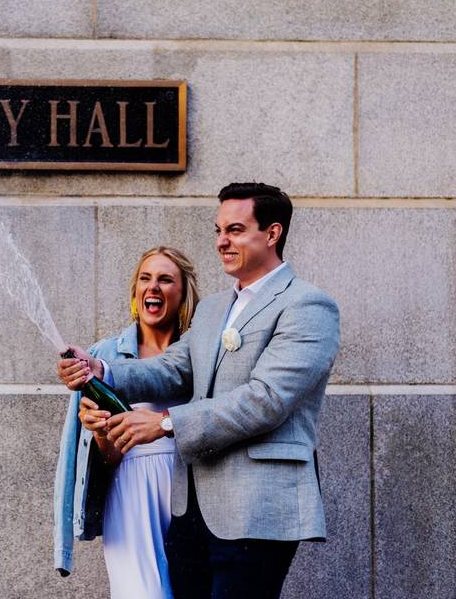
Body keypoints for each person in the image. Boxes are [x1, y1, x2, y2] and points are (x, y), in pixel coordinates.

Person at [58, 182, 341, 599]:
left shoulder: (308, 305)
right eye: (218, 230)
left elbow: (266, 400)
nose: (222, 241)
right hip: (189, 514)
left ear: (273, 233)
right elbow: (174, 370)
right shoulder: (212, 309)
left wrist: (166, 422)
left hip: (257, 512)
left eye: (235, 230)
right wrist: (101, 368)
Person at [53, 246, 201, 599]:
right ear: (136, 291)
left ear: (183, 293)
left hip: (193, 493)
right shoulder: (104, 355)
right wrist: (101, 431)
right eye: (145, 279)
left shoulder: (201, 353)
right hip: (131, 494)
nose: (153, 287)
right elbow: (107, 456)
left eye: (166, 279)